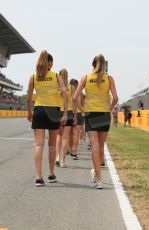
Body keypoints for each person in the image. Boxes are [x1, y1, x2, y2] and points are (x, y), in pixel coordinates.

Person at [73, 54, 118, 189]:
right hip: (104, 114)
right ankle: (96, 173)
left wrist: (83, 110)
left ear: (92, 64)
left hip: (91, 114)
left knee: (95, 146)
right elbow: (115, 98)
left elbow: (75, 98)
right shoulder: (109, 78)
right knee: (100, 146)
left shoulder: (86, 78)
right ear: (104, 65)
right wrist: (109, 109)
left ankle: (99, 178)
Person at [27, 50, 67, 187]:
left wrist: (29, 112)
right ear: (50, 63)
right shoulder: (56, 76)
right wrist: (65, 113)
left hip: (39, 110)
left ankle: (38, 177)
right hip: (54, 111)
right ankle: (51, 173)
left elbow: (29, 97)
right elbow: (64, 93)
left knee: (38, 144)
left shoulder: (34, 76)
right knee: (51, 145)